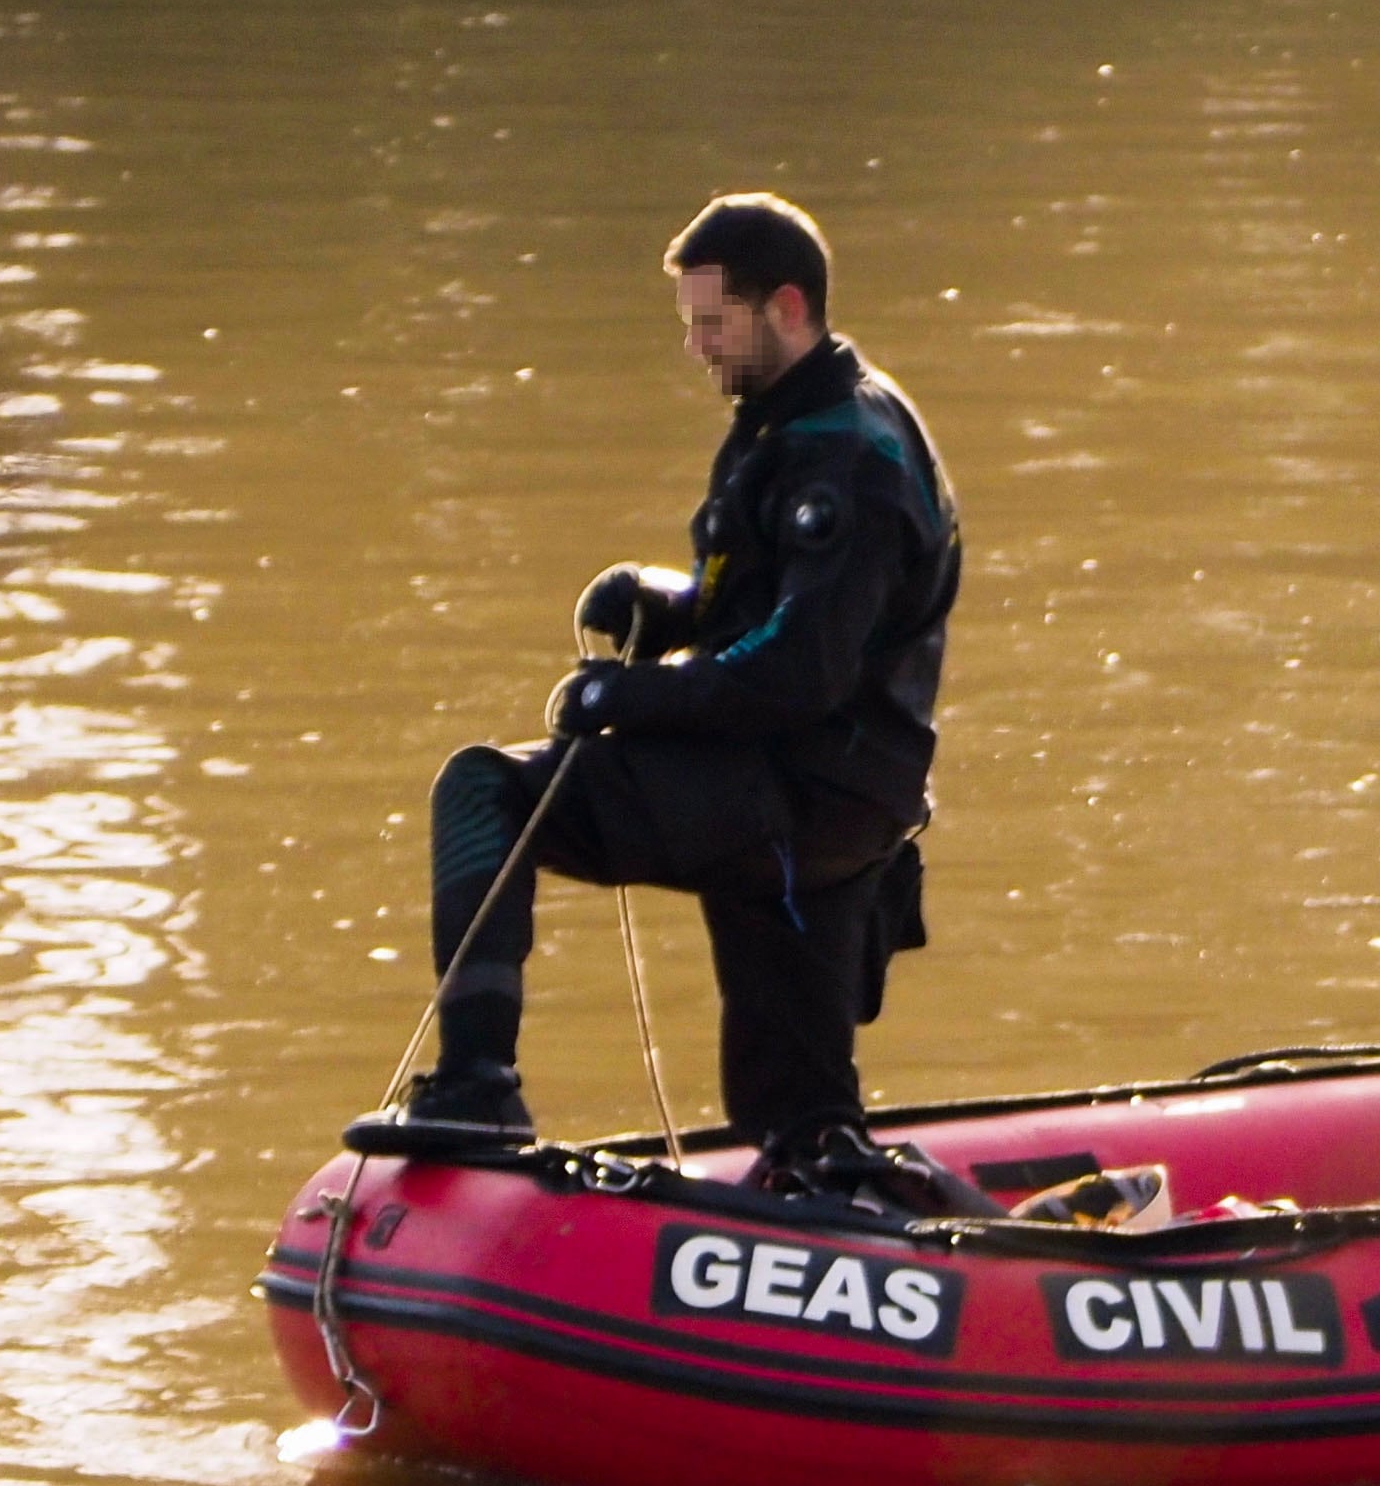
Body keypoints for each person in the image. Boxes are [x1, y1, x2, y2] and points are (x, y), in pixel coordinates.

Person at [362, 192, 967, 1201]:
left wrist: (633, 695)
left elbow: (799, 668)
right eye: (688, 323)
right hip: (835, 796)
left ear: (785, 308)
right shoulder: (806, 417)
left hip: (795, 794)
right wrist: (673, 605)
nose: (694, 346)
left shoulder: (844, 457)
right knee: (801, 1122)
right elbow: (781, 608)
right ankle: (849, 1232)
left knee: (484, 790)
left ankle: (477, 1086)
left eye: (710, 322)